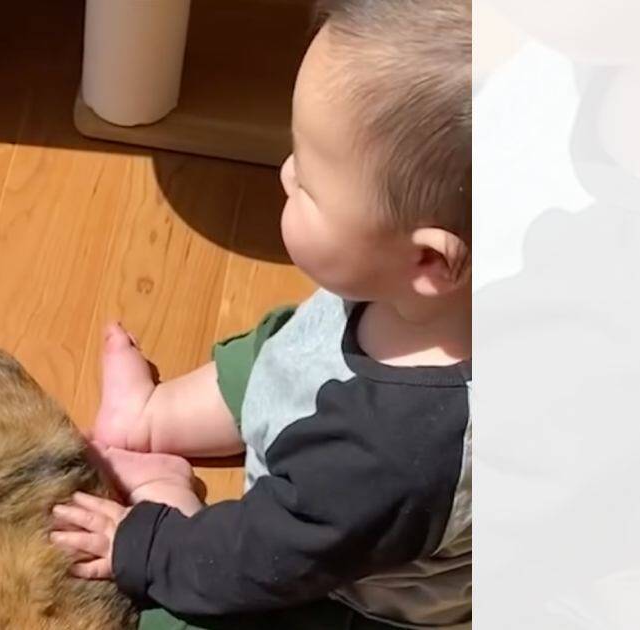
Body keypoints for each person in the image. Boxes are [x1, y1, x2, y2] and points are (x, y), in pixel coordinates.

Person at [50, 1, 472, 628]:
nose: (285, 173)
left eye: (310, 185)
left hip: (337, 590)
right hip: (330, 452)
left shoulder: (388, 458)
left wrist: (148, 543)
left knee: (174, 614)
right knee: (279, 349)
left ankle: (169, 497)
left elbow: (263, 559)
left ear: (428, 261)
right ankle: (150, 417)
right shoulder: (437, 289)